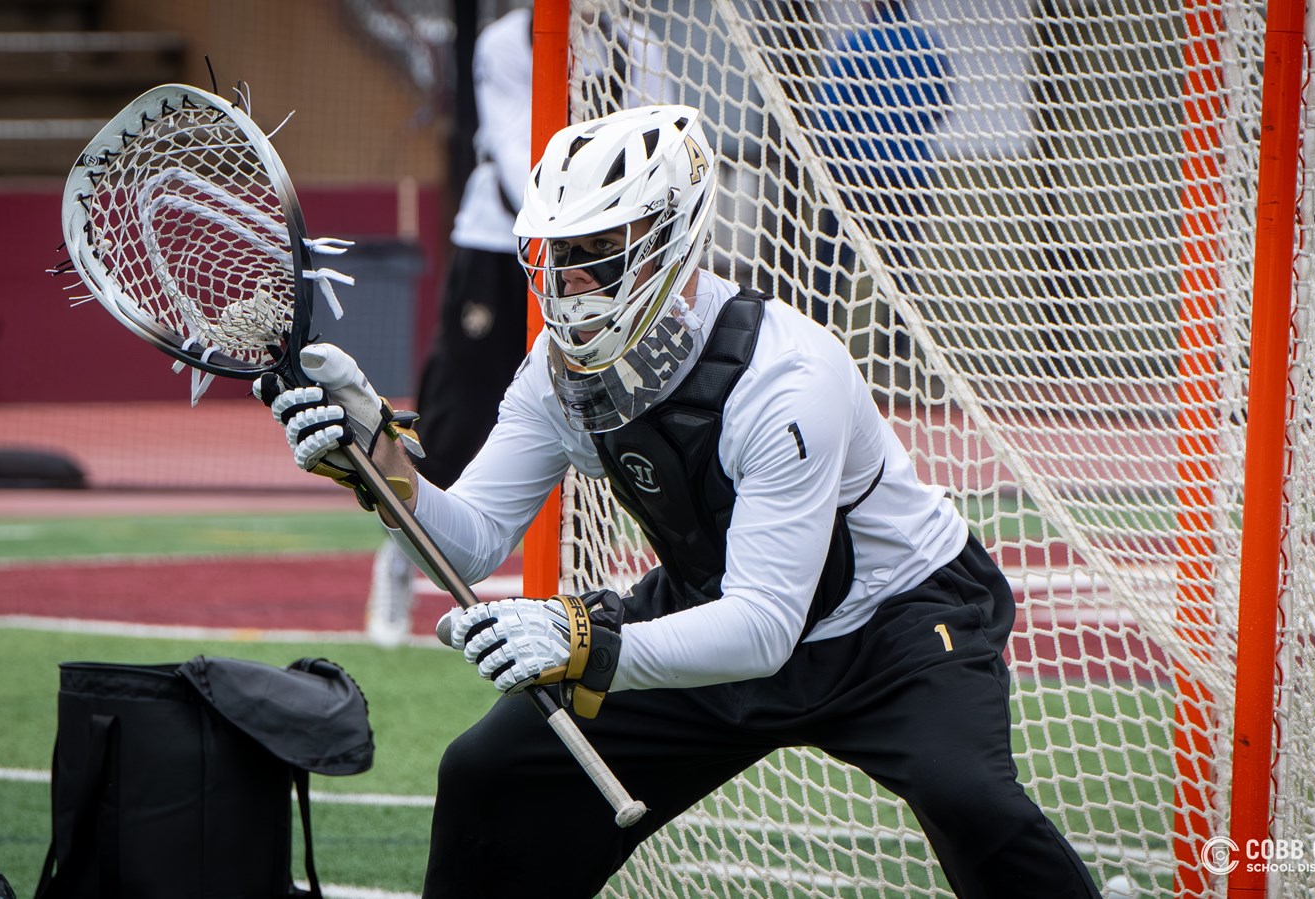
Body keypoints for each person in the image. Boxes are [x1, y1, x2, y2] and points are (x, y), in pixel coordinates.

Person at [254, 105, 1102, 898]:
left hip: (893, 627)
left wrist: (579, 638)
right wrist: (375, 455)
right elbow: (471, 542)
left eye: (602, 247)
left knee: (974, 802)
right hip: (715, 603)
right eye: (560, 252)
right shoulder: (556, 374)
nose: (574, 282)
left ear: (672, 239)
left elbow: (769, 626)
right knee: (492, 771)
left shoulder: (786, 379)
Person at [366, 4, 678, 646]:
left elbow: (657, 148)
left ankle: (600, 585)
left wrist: (606, 237)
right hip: (502, 241)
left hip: (608, 252)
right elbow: (515, 145)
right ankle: (400, 559)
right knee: (457, 418)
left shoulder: (638, 43)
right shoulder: (509, 42)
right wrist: (562, 225)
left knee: (621, 413)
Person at [809, 0, 952, 383]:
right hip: (909, 174)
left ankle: (813, 348)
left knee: (830, 269)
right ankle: (898, 362)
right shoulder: (928, 46)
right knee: (899, 272)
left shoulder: (853, 47)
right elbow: (941, 107)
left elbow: (829, 118)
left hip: (855, 175)